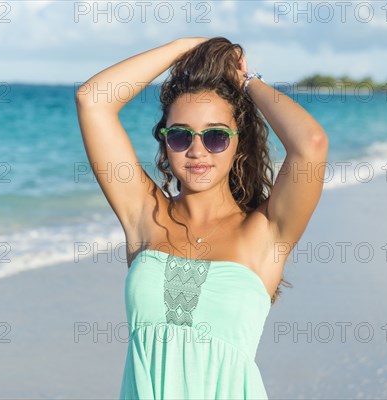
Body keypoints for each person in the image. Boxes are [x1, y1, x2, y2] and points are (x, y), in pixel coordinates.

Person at [75, 37, 328, 399]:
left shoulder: (265, 232)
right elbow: (93, 100)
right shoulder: (146, 216)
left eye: (215, 136)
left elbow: (311, 143)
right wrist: (185, 46)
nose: (197, 150)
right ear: (165, 143)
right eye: (180, 136)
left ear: (238, 141)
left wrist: (246, 80)